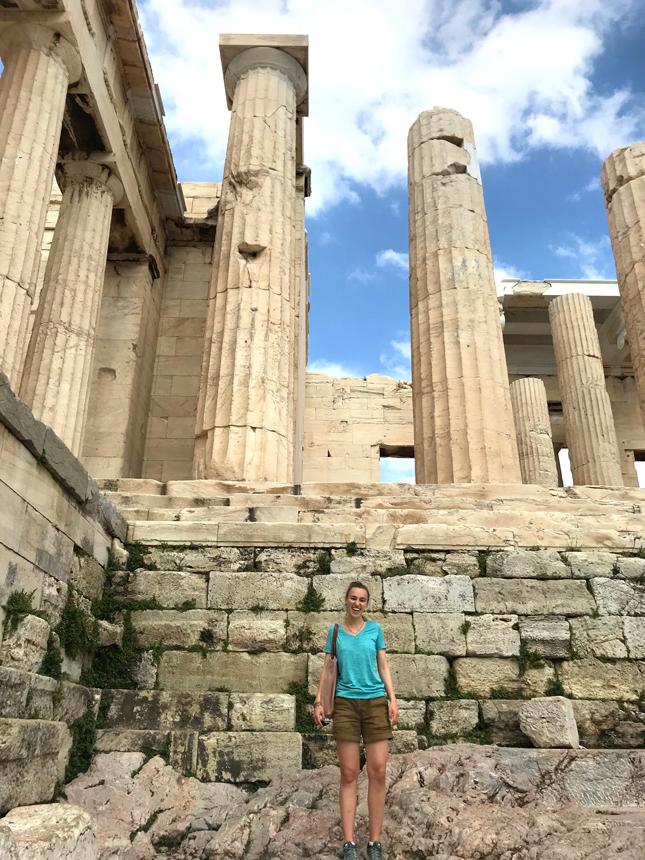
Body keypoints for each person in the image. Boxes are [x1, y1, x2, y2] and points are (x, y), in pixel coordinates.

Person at [313, 580, 399, 860]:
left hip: (375, 702)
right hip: (345, 704)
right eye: (353, 598)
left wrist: (392, 699)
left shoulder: (375, 630)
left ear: (366, 604)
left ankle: (375, 842)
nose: (357, 603)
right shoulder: (334, 632)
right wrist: (318, 701)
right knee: (349, 773)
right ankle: (349, 843)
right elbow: (327, 671)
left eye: (362, 599)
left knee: (378, 772)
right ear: (346, 599)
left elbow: (383, 666)